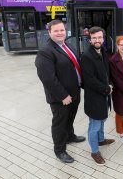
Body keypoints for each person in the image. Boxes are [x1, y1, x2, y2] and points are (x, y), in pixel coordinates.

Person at [35, 19, 85, 164]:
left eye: (62, 30)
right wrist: (63, 95)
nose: (59, 33)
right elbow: (47, 78)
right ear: (49, 32)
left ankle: (70, 136)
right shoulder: (45, 51)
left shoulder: (67, 45)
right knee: (60, 123)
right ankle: (60, 150)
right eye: (56, 31)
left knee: (70, 118)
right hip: (61, 98)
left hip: (74, 92)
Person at [80, 26, 115, 166]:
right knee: (94, 124)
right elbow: (90, 80)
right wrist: (106, 89)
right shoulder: (87, 56)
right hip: (95, 97)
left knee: (102, 119)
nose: (97, 40)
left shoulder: (103, 52)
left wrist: (110, 84)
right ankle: (95, 151)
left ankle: (101, 140)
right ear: (90, 39)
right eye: (94, 38)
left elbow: (108, 72)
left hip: (104, 94)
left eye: (99, 37)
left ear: (103, 38)